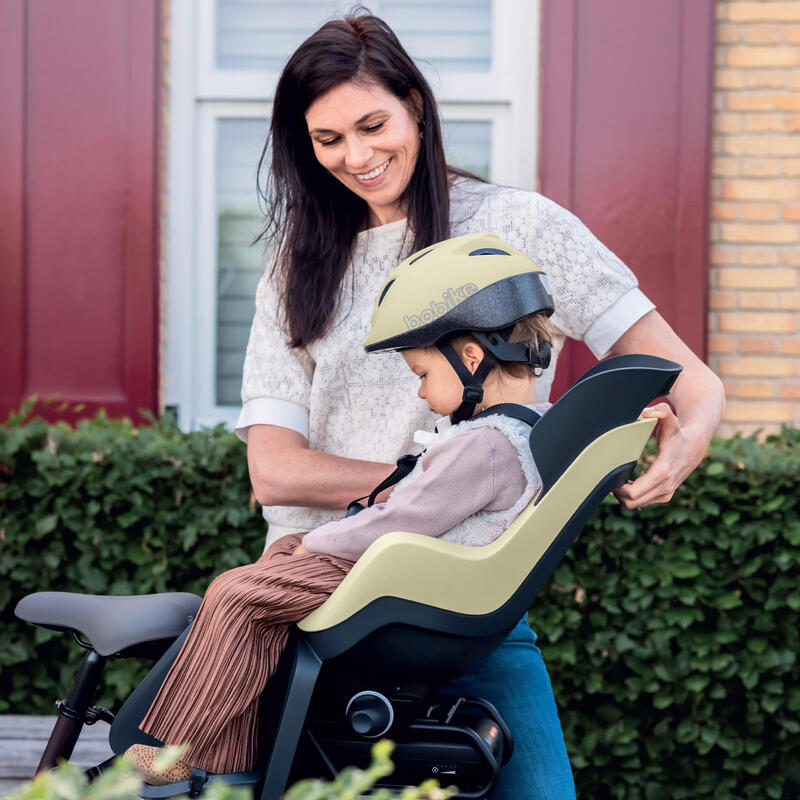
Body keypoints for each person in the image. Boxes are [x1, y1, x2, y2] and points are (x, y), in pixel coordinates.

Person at [233, 11, 724, 799]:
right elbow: (274, 470)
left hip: (471, 606)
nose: (357, 156)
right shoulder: (297, 267)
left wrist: (688, 432)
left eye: (372, 124)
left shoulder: (516, 227)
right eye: (329, 141)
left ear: (415, 108)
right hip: (324, 613)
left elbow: (686, 378)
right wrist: (451, 483)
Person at [126, 234, 557, 785]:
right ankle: (229, 762)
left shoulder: (483, 446)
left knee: (237, 594)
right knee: (270, 577)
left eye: (423, 374)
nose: (422, 393)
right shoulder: (521, 432)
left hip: (401, 583)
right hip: (413, 576)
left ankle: (171, 751)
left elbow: (404, 518)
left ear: (471, 357)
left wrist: (319, 542)